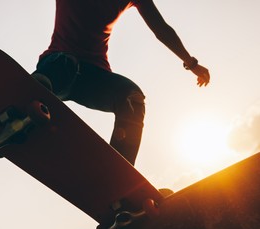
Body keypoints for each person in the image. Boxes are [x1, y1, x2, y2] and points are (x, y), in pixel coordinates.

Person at [32, 0, 210, 165]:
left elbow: (161, 28)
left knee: (133, 98)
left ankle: (117, 176)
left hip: (93, 77)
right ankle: (28, 95)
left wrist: (191, 62)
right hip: (58, 66)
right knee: (66, 62)